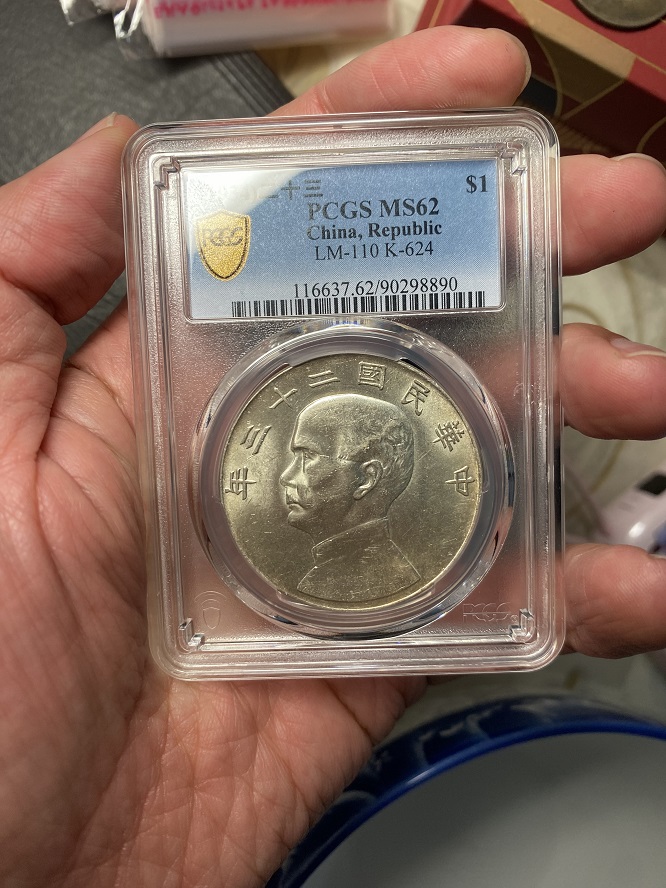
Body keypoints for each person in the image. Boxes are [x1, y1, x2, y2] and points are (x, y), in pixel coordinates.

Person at [0, 25, 665, 888]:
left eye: (308, 454)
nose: (279, 474)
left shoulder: (389, 568)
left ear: (371, 476)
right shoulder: (255, 574)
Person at [280, 393, 420, 600]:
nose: (286, 477)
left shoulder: (361, 581)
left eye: (308, 456)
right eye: (296, 457)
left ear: (367, 479)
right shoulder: (332, 577)